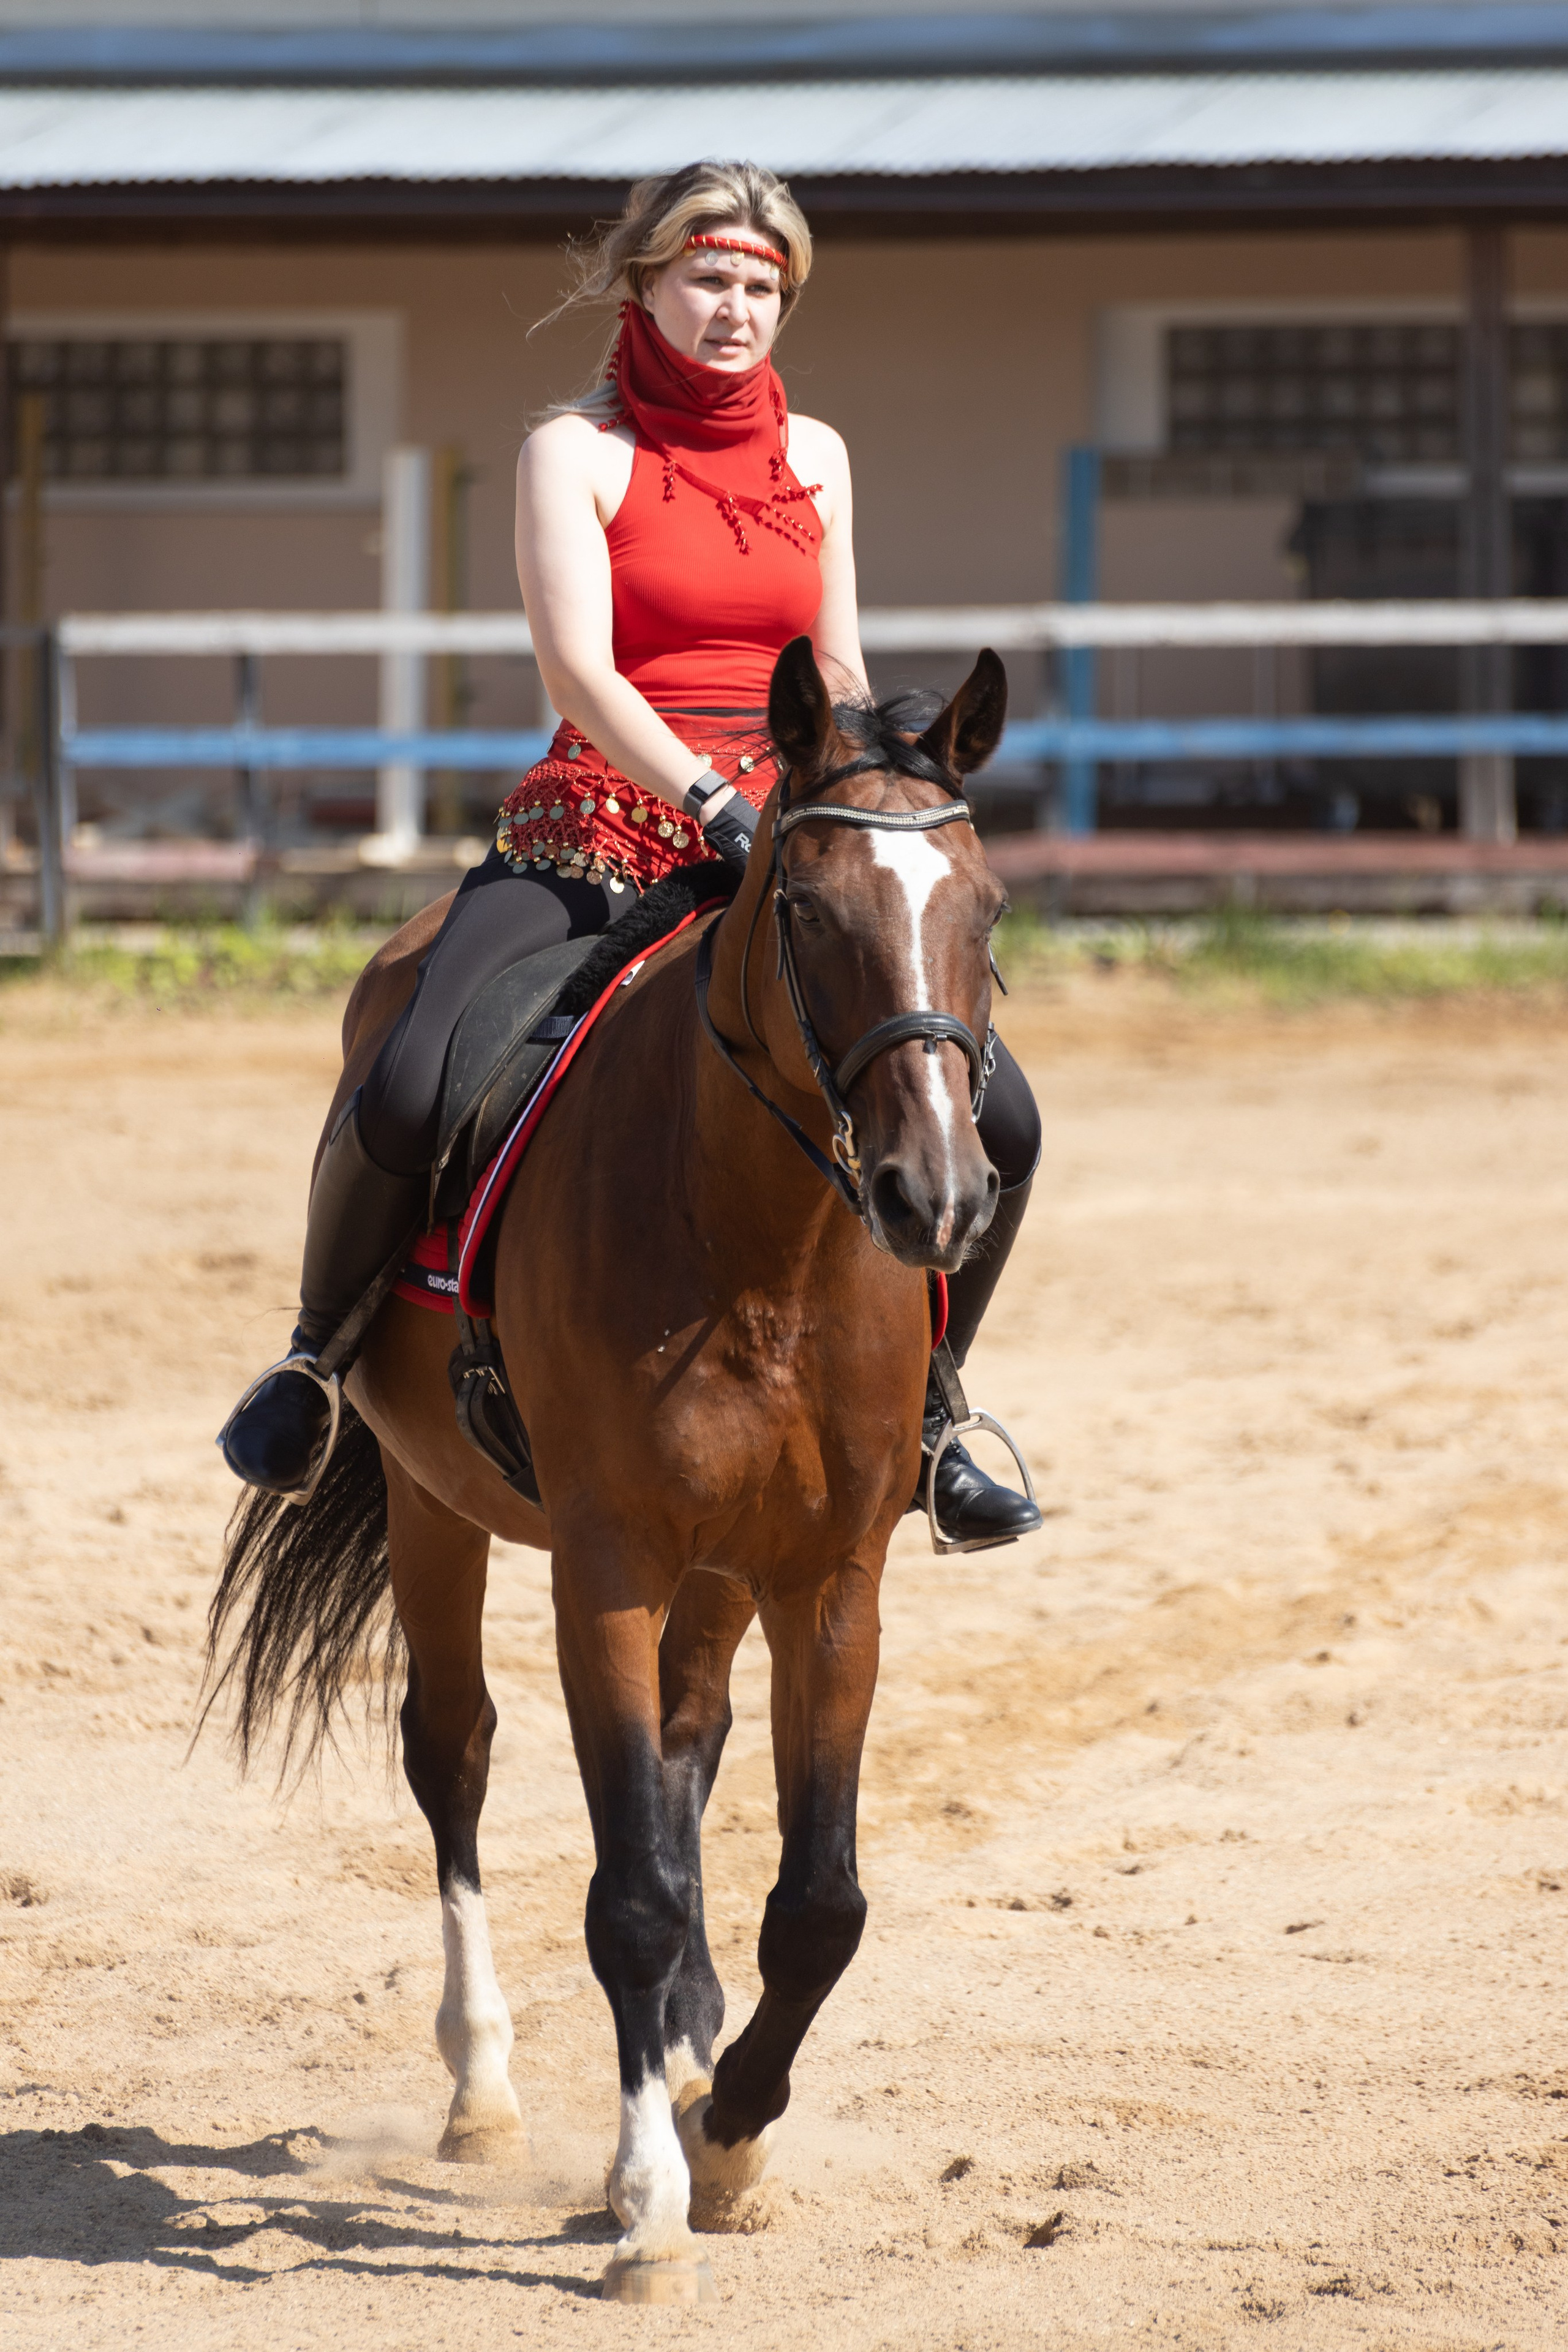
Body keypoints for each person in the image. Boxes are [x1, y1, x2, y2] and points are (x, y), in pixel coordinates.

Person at [219, 159, 1041, 1545]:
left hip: (788, 818)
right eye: (710, 280)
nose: (736, 310)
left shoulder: (818, 454)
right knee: (417, 1077)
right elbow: (582, 670)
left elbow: (829, 659)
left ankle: (933, 1413)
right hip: (599, 823)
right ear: (644, 286)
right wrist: (708, 800)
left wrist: (850, 778)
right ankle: (314, 1364)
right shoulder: (575, 451)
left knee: (1002, 1118)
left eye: (762, 288)